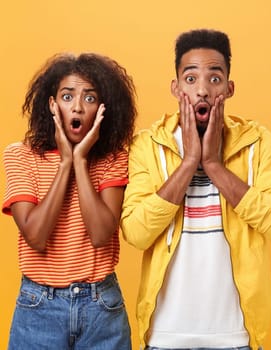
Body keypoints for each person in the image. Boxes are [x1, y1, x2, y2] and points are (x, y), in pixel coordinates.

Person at [121, 29, 271, 350]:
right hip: (165, 335)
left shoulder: (258, 143)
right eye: (190, 79)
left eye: (214, 79)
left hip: (236, 336)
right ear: (175, 88)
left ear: (229, 88)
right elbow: (136, 232)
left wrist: (214, 165)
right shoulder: (147, 145)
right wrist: (189, 163)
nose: (202, 90)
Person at [2, 52, 137, 349]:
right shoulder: (20, 156)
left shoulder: (114, 160)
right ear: (51, 104)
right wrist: (65, 165)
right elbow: (36, 236)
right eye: (67, 96)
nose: (77, 106)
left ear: (103, 109)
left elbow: (101, 234)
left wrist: (80, 161)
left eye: (89, 99)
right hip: (38, 308)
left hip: (102, 308)